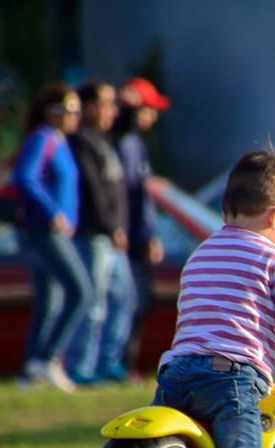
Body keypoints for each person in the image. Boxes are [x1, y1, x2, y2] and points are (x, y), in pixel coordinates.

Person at [43, 147, 275, 448]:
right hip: (233, 377)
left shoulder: (201, 253)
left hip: (177, 369)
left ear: (228, 209)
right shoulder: (274, 260)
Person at [14, 82, 94, 393]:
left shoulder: (60, 141)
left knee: (48, 302)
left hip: (54, 231)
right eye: (71, 110)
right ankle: (47, 359)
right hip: (44, 231)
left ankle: (29, 370)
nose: (77, 116)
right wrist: (52, 213)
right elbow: (25, 177)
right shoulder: (42, 138)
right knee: (81, 291)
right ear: (53, 112)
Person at [63, 78, 133, 385]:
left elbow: (130, 125)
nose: (113, 111)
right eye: (107, 104)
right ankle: (81, 367)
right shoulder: (79, 141)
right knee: (94, 303)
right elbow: (91, 190)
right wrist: (110, 226)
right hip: (94, 235)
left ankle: (108, 361)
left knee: (124, 298)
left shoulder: (105, 140)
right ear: (89, 107)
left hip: (112, 238)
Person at [107, 77, 168, 379]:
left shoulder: (136, 144)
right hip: (121, 240)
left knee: (142, 301)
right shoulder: (118, 140)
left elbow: (142, 194)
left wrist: (150, 233)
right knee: (125, 301)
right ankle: (115, 362)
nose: (152, 116)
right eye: (148, 109)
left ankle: (124, 362)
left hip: (138, 240)